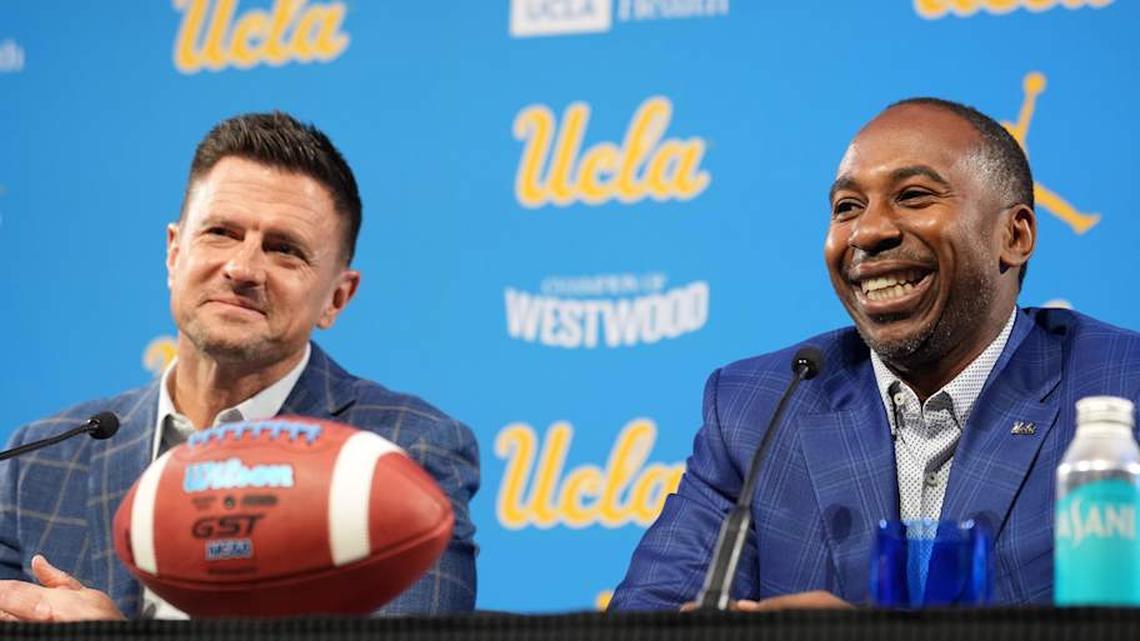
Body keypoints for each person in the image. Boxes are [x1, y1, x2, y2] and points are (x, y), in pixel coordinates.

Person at [610, 98, 1140, 610]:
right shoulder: (759, 409)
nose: (868, 231)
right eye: (847, 208)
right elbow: (648, 616)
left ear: (1014, 235)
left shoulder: (1121, 386)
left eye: (913, 196)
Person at [0, 112, 480, 620]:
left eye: (284, 249)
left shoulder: (405, 454)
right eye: (221, 232)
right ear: (173, 252)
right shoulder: (36, 465)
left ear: (337, 298)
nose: (243, 269)